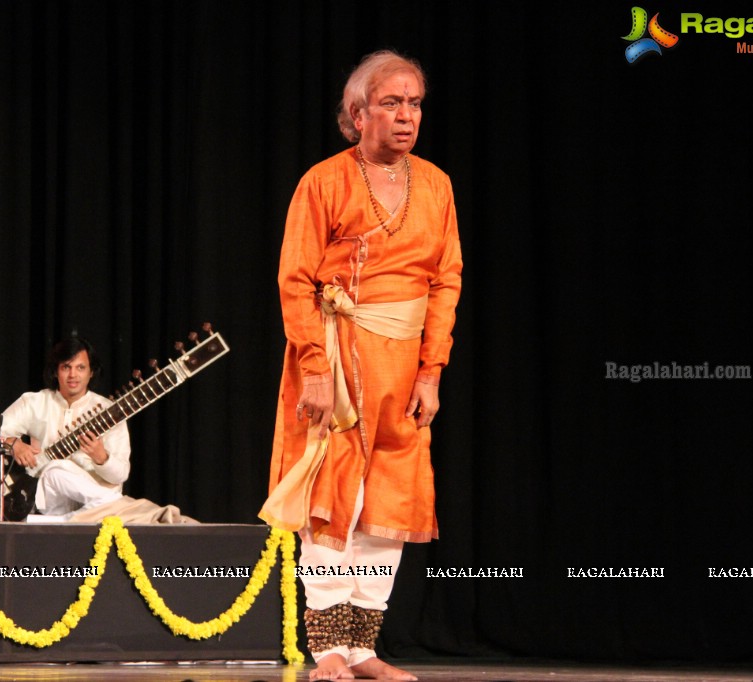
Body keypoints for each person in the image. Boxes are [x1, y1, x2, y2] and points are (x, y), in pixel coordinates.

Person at [261, 50, 463, 681]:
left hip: (403, 367)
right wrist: (315, 369)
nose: (407, 117)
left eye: (415, 103)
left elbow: (446, 280)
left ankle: (364, 648)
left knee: (389, 501)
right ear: (357, 114)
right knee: (333, 499)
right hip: (338, 361)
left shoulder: (436, 184)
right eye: (391, 103)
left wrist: (432, 370)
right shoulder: (323, 181)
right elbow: (295, 280)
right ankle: (327, 652)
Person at [0, 336, 130, 519]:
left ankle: (79, 517)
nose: (73, 375)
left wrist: (101, 457)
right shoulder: (35, 402)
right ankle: (118, 507)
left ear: (91, 372)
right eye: (66, 367)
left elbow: (121, 475)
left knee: (57, 468)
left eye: (80, 368)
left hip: (93, 508)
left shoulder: (110, 412)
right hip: (52, 502)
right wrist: (12, 443)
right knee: (55, 470)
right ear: (56, 371)